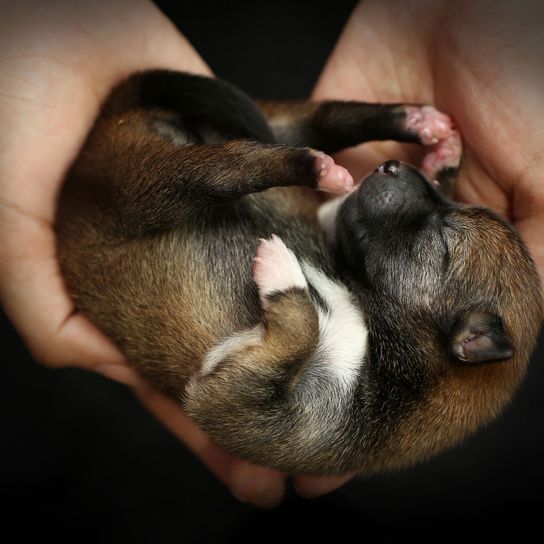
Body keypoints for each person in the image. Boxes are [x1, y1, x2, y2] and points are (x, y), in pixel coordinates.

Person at [1, 0, 542, 509]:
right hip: (207, 147)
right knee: (291, 149)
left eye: (439, 236)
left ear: (469, 342)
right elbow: (339, 224)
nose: (396, 177)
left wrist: (293, 328)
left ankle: (269, 163)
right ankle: (361, 128)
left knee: (256, 164)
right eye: (443, 205)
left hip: (125, 220)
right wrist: (429, 180)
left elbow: (220, 405)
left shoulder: (345, 426)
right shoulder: (379, 329)